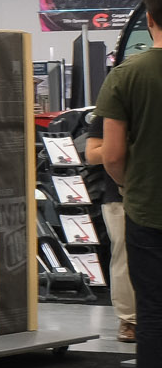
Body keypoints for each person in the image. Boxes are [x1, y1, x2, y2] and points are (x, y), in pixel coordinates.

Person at [91, 0, 162, 368]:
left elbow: (110, 154)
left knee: (153, 320)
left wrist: (128, 184)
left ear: (149, 19)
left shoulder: (127, 75)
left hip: (150, 213)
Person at [81, 107, 136, 346]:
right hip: (121, 195)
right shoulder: (114, 102)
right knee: (125, 257)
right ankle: (130, 320)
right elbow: (92, 154)